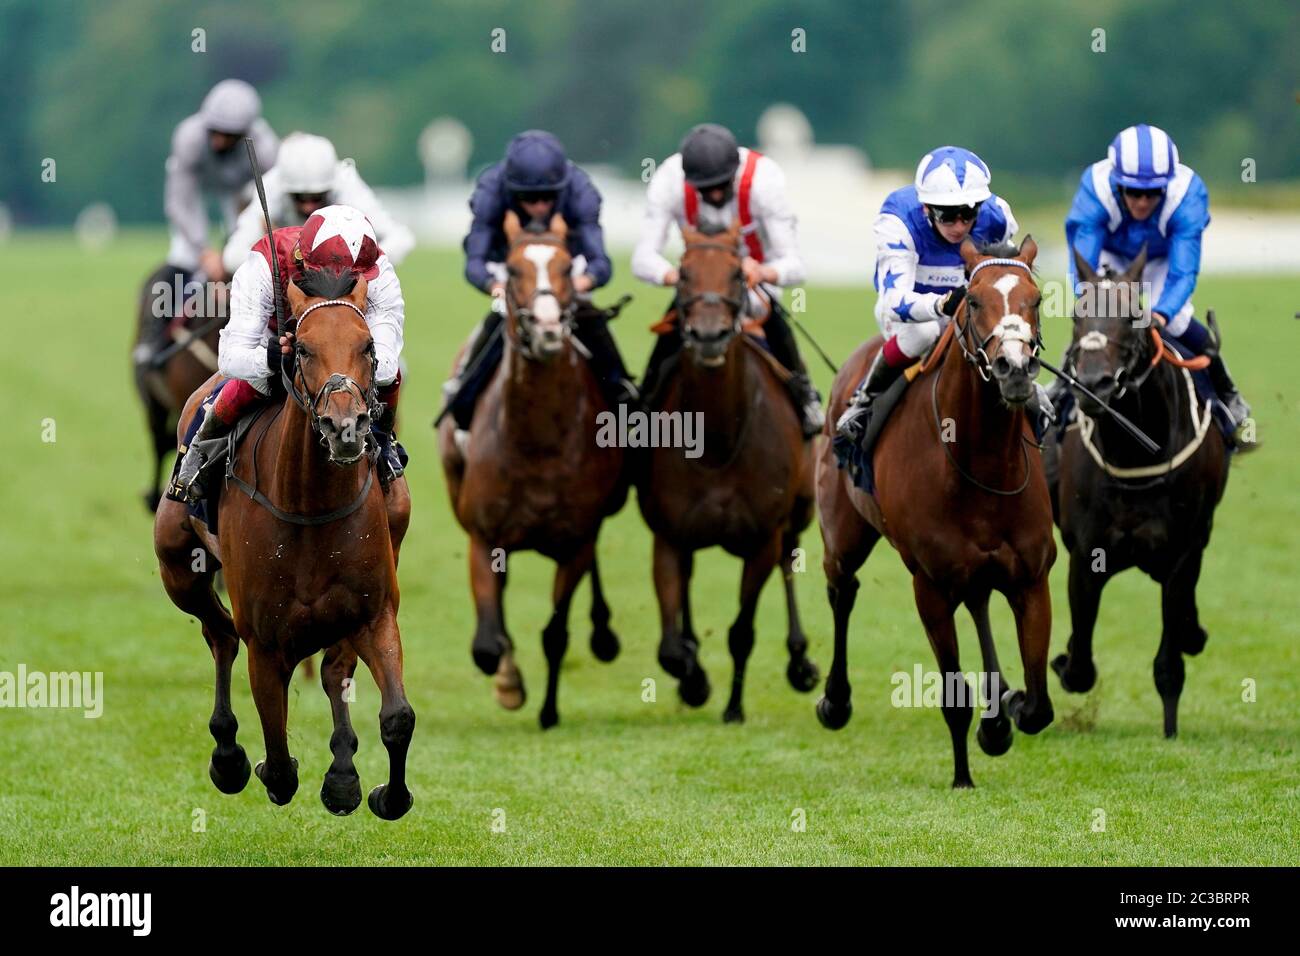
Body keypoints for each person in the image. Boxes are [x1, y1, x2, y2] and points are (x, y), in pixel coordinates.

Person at [171, 205, 406, 501]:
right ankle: (201, 448)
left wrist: (349, 358)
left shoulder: (378, 270)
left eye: (356, 280)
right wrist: (269, 359)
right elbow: (230, 358)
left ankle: (385, 446)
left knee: (390, 376)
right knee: (257, 380)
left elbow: (384, 365)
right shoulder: (263, 263)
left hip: (344, 344)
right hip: (272, 335)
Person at [836, 145, 1042, 444]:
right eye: (947, 216)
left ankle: (1036, 397)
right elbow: (895, 302)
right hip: (912, 313)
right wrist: (941, 304)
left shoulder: (998, 217)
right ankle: (864, 400)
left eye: (968, 214)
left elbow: (1004, 281)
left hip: (971, 306)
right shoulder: (897, 221)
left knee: (1006, 336)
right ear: (926, 209)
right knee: (924, 333)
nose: (959, 226)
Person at [632, 123, 824, 437]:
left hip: (752, 282)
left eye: (722, 185)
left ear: (734, 173)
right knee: (667, 338)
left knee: (772, 318)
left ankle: (804, 395)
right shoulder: (668, 181)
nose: (716, 194)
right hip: (699, 284)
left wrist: (763, 272)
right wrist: (673, 276)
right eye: (705, 189)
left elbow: (795, 264)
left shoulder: (765, 181)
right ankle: (645, 411)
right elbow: (643, 258)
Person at [443, 130, 635, 433]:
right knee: (496, 322)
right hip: (513, 274)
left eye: (549, 197)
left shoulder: (581, 192)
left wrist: (572, 287)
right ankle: (462, 393)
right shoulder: (490, 192)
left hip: (565, 274)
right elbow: (475, 262)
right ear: (511, 190)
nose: (540, 206)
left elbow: (601, 263)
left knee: (594, 325)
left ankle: (623, 395)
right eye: (529, 198)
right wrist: (499, 287)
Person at [1064, 123, 1250, 433]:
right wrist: (1091, 298)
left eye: (1152, 193)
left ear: (1167, 185)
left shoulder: (1187, 195)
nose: (1142, 202)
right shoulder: (1094, 188)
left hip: (1161, 260)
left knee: (1178, 321)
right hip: (1111, 257)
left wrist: (1161, 314)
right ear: (1116, 184)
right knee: (1097, 318)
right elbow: (1083, 261)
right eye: (1133, 192)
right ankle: (1061, 392)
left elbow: (1183, 273)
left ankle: (1227, 392)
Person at [136, 79, 279, 370]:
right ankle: (153, 340)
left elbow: (270, 204)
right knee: (182, 258)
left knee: (244, 255)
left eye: (227, 136)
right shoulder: (188, 137)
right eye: (213, 132)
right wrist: (203, 251)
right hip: (196, 189)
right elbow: (179, 202)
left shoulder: (266, 149)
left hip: (242, 193)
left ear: (245, 133)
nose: (217, 141)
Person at [222, 131, 414, 275]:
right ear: (286, 188)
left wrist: (354, 267)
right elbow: (232, 256)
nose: (308, 207)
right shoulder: (273, 184)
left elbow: (401, 239)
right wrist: (285, 263)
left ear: (331, 187)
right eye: (299, 198)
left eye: (317, 197)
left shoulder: (345, 182)